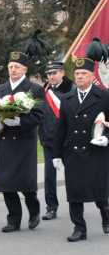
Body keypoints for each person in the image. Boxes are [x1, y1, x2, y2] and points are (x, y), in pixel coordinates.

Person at [53, 57, 109, 242]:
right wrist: (56, 154)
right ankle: (79, 228)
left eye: (84, 73)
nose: (80, 77)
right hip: (73, 152)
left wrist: (106, 137)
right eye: (77, 74)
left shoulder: (104, 96)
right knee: (74, 192)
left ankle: (106, 216)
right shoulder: (67, 98)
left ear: (92, 76)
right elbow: (62, 127)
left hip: (96, 151)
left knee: (99, 191)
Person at [0, 51, 44, 233]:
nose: (13, 70)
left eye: (17, 67)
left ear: (25, 69)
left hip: (23, 143)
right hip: (5, 142)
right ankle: (13, 219)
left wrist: (20, 122)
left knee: (25, 184)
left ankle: (34, 210)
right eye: (10, 67)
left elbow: (39, 115)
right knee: (6, 184)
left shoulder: (34, 89)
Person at [39, 61, 74, 220]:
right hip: (49, 140)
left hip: (67, 140)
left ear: (62, 73)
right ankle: (51, 207)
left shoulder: (72, 89)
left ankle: (76, 203)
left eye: (54, 73)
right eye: (49, 74)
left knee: (74, 174)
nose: (51, 76)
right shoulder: (44, 90)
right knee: (49, 176)